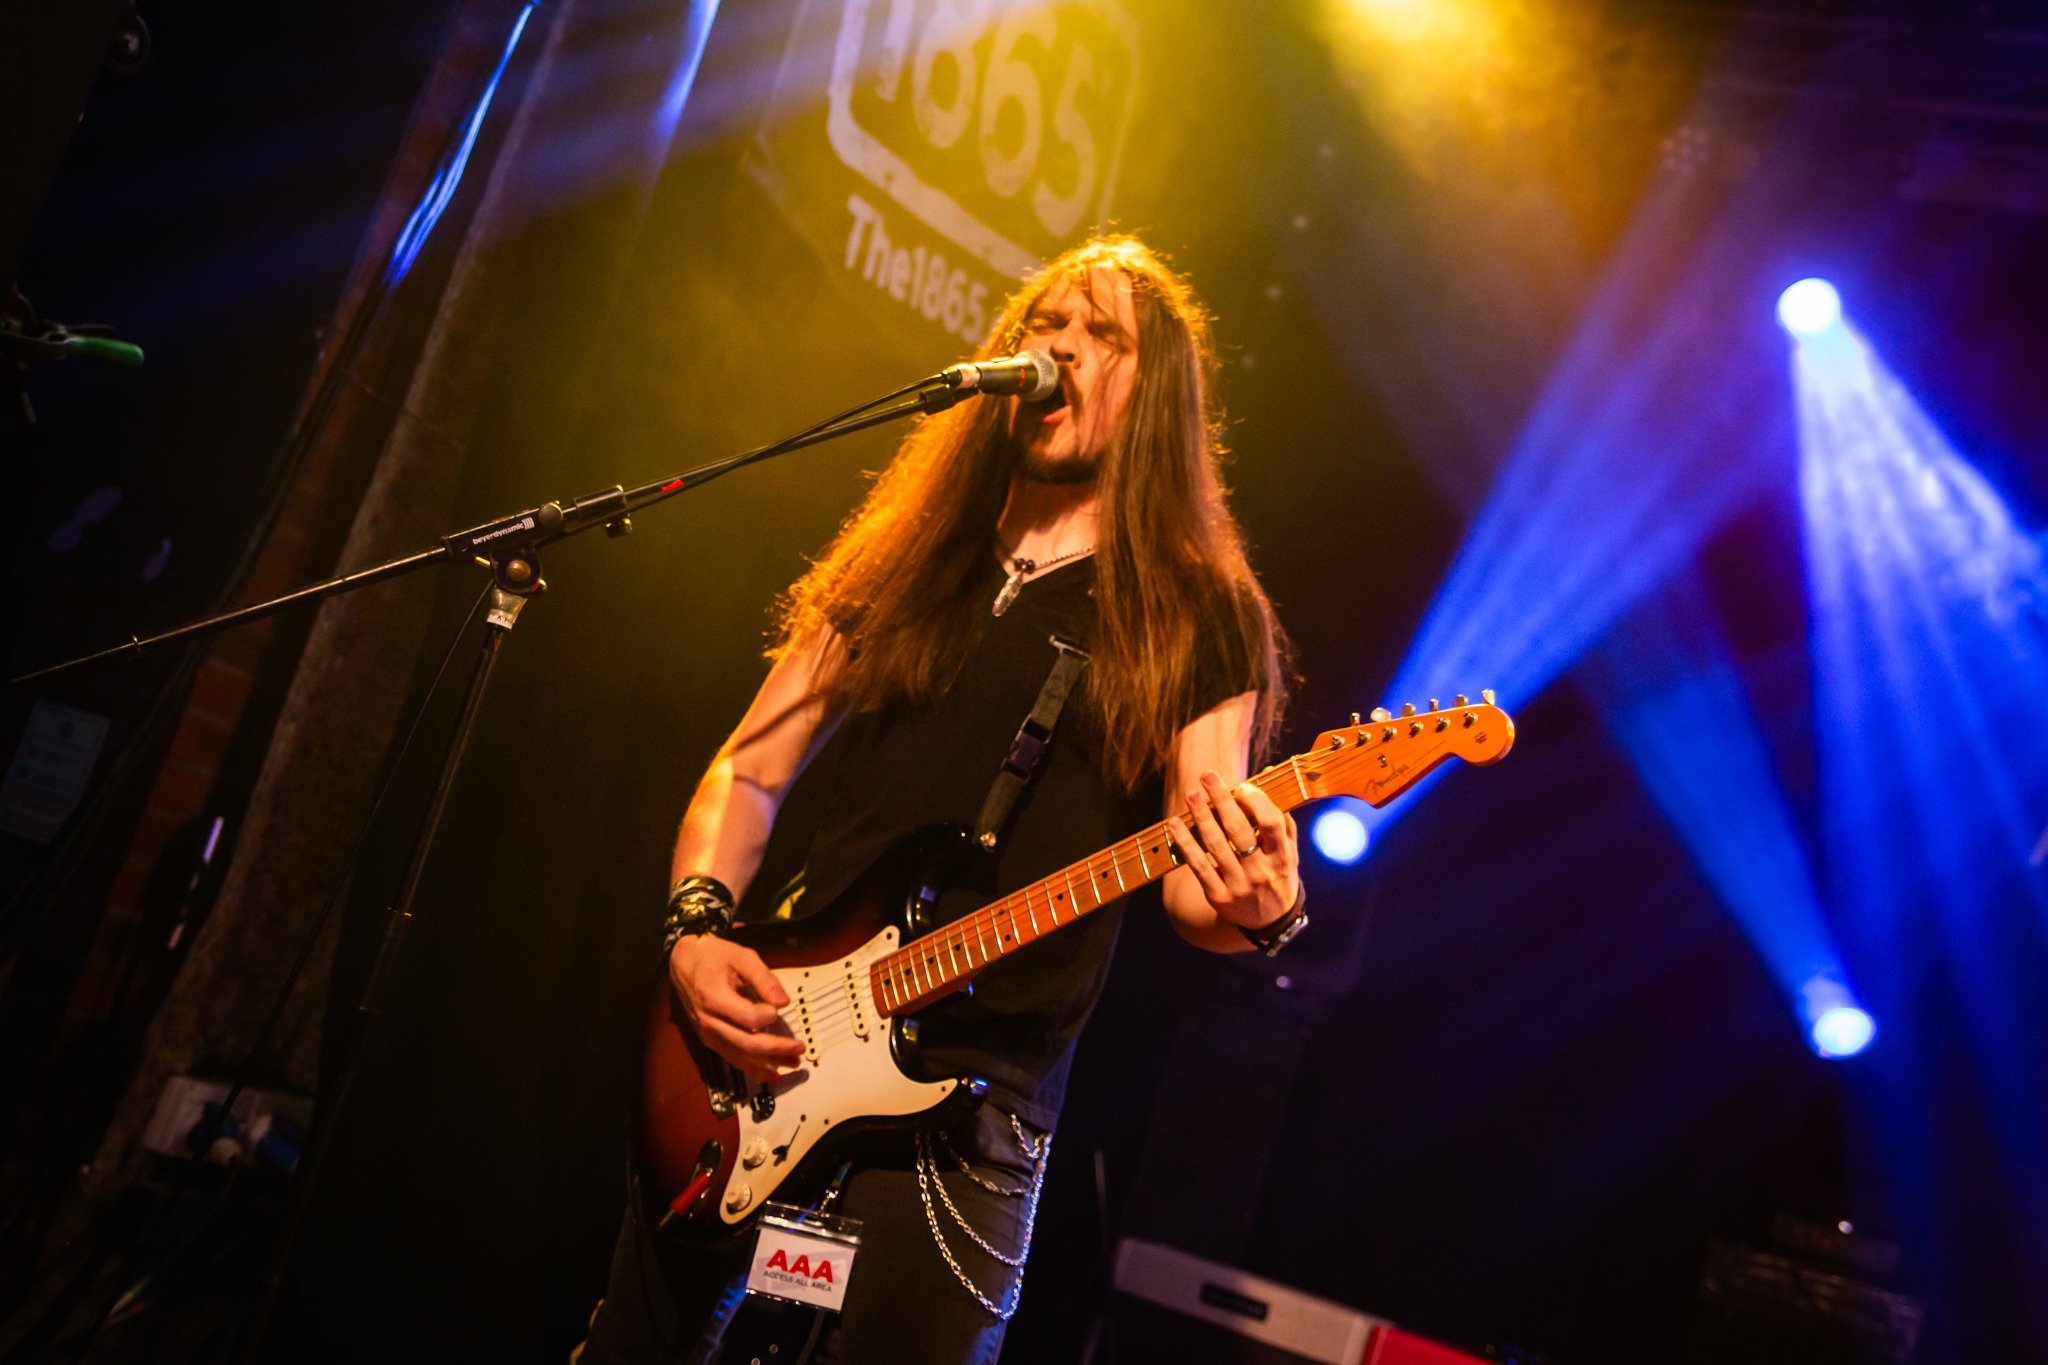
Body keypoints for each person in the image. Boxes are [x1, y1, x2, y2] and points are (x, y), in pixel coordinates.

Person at [579, 236, 1304, 1364]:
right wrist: (693, 929)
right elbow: (753, 766)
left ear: (1152, 387)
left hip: (972, 1117)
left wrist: (1264, 900)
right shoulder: (916, 557)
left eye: (1098, 333)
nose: (1056, 346)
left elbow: (1202, 886)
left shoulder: (1192, 615)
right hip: (773, 1055)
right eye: (1043, 324)